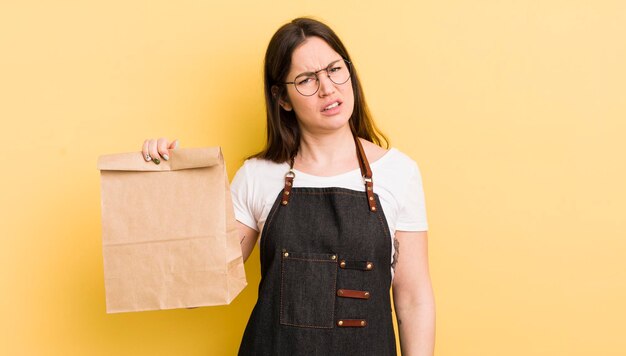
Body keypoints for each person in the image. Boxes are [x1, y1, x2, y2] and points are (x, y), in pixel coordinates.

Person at [141, 17, 435, 356]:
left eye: (334, 69)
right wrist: (163, 184)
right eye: (307, 80)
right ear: (282, 98)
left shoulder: (398, 172)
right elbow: (198, 288)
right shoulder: (257, 175)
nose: (327, 88)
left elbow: (413, 298)